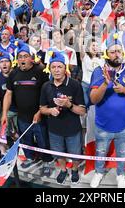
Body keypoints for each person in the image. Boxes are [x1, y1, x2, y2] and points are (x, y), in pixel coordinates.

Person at [89, 33, 125, 188]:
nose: (117, 54)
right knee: (100, 153)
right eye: (113, 51)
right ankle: (99, 172)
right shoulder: (99, 71)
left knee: (122, 154)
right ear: (107, 54)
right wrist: (105, 84)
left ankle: (120, 174)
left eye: (119, 51)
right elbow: (93, 99)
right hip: (103, 126)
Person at [1, 43, 54, 176]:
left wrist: (40, 112)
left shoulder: (40, 72)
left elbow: (47, 93)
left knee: (43, 140)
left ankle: (47, 161)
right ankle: (30, 157)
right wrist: (4, 114)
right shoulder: (14, 74)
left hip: (39, 116)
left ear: (32, 58)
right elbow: (8, 94)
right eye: (20, 57)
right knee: (26, 140)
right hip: (22, 116)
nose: (22, 59)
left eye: (25, 56)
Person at [39, 50, 86, 185]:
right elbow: (42, 108)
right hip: (54, 130)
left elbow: (82, 111)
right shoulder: (46, 86)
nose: (56, 70)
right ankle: (64, 170)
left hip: (72, 130)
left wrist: (69, 105)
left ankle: (75, 170)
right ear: (50, 69)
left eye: (60, 67)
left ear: (65, 68)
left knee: (75, 154)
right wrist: (50, 111)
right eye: (53, 67)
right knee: (58, 153)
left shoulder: (74, 85)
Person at [0, 52, 13, 157]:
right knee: (0, 131)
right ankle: (4, 153)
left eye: (6, 61)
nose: (4, 64)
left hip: (18, 109)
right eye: (2, 62)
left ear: (11, 63)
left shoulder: (16, 75)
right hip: (4, 110)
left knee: (17, 133)